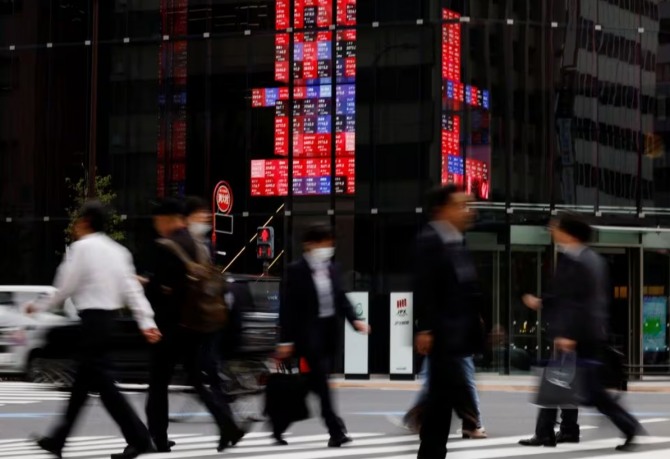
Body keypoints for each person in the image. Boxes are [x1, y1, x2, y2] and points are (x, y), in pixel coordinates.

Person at [27, 200, 160, 459]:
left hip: (91, 322)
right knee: (83, 384)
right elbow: (132, 291)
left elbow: (65, 286)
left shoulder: (81, 248)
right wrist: (147, 322)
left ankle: (140, 438)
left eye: (77, 221)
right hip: (110, 322)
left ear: (85, 222)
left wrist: (39, 305)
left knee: (104, 386)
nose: (75, 227)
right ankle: (58, 440)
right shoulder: (120, 252)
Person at [518, 212, 642, 451]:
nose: (551, 230)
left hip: (580, 337)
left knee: (592, 392)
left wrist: (570, 335)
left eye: (555, 226)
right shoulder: (576, 258)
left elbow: (585, 303)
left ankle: (628, 426)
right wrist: (542, 302)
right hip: (575, 334)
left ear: (568, 232)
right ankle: (547, 433)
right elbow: (566, 296)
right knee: (556, 383)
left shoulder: (584, 261)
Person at [144, 197, 243, 453]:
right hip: (197, 325)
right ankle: (227, 424)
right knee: (198, 381)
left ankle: (158, 438)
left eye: (157, 222)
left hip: (169, 328)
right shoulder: (199, 246)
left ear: (166, 219)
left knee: (158, 384)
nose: (157, 227)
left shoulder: (165, 246)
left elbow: (160, 291)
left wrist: (146, 285)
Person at [276, 224, 371, 447]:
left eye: (330, 243)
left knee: (313, 384)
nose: (328, 247)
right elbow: (288, 308)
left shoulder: (332, 268)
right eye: (324, 243)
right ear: (309, 245)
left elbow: (340, 297)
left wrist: (355, 320)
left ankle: (279, 423)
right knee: (322, 382)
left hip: (328, 332)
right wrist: (286, 340)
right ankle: (336, 430)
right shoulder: (296, 270)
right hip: (307, 335)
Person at [413, 185, 485, 459]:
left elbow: (466, 288)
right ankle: (462, 418)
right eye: (461, 205)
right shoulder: (430, 240)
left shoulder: (458, 240)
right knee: (443, 400)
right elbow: (424, 288)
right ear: (442, 209)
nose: (468, 211)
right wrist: (425, 328)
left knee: (440, 402)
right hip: (442, 335)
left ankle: (432, 421)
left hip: (458, 336)